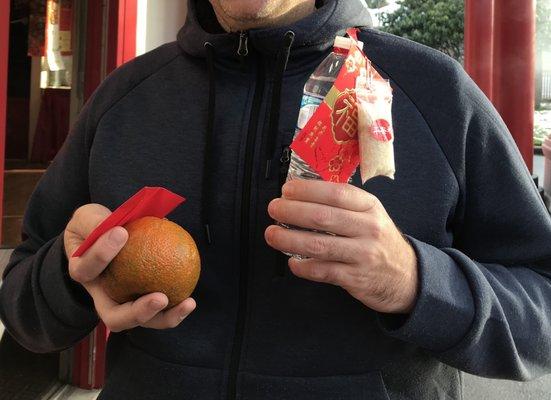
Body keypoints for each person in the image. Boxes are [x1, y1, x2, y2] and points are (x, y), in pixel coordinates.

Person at [2, 0, 551, 398]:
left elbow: (542, 315)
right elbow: (23, 306)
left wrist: (415, 282)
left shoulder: (434, 93)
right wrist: (72, 275)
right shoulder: (125, 99)